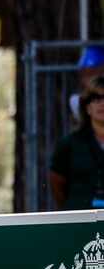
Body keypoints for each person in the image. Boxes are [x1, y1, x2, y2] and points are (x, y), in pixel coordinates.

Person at [50, 75, 104, 210]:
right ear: (87, 107)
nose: (102, 104)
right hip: (80, 221)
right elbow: (56, 182)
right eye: (96, 99)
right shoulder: (69, 144)